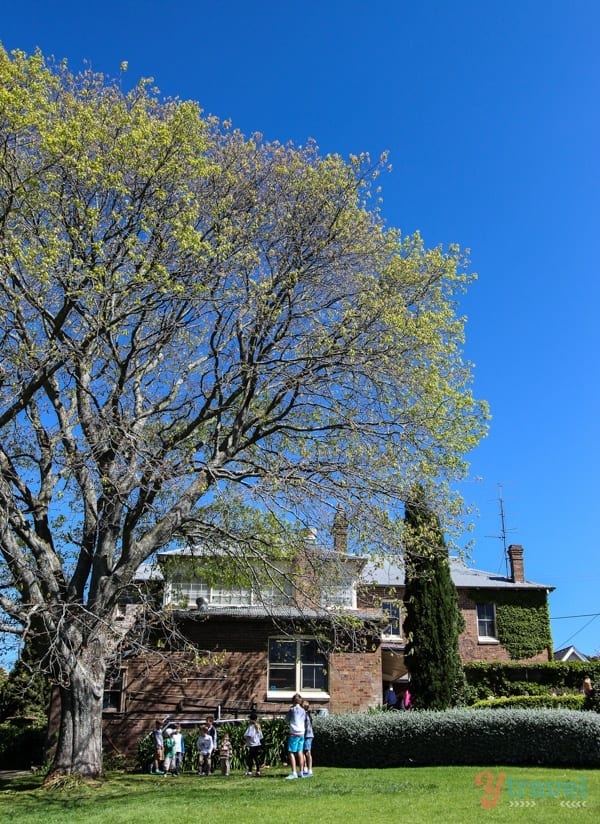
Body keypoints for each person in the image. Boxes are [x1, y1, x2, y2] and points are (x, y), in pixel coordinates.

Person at [285, 693, 306, 779]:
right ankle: (301, 772)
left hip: (294, 733)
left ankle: (294, 772)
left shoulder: (292, 710)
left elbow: (287, 719)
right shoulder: (303, 710)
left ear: (293, 701)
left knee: (291, 752)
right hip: (302, 733)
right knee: (300, 752)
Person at [243, 711, 264, 776]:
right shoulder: (258, 727)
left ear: (251, 719)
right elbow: (261, 737)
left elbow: (249, 736)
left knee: (250, 758)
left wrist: (245, 744)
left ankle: (250, 771)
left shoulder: (251, 727)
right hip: (257, 744)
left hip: (252, 745)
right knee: (256, 758)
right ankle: (258, 771)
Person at [302, 700, 314, 776]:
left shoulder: (306, 715)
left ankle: (309, 768)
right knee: (302, 752)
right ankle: (305, 767)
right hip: (303, 734)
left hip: (308, 735)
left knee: (307, 752)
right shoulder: (306, 714)